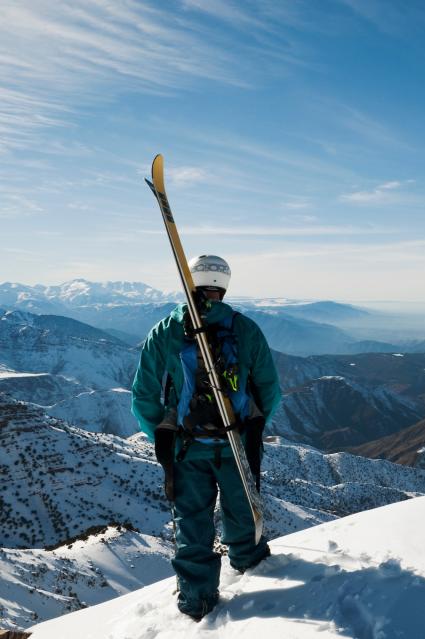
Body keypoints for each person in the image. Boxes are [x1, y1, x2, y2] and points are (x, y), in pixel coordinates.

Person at [131, 254, 282, 621]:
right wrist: (249, 432)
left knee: (192, 523)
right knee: (243, 512)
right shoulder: (244, 329)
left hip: (187, 448)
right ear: (223, 285)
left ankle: (197, 600)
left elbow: (144, 396)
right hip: (236, 444)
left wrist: (168, 437)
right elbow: (269, 389)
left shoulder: (166, 330)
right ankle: (252, 570)